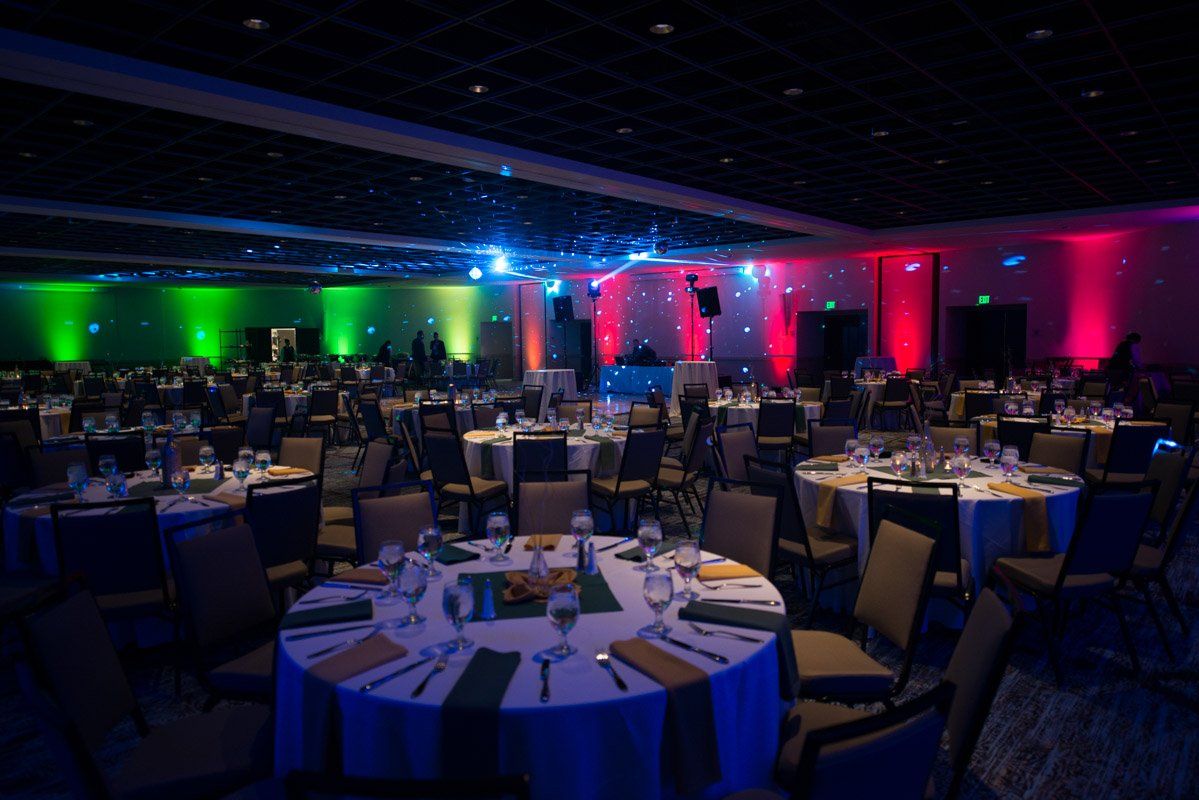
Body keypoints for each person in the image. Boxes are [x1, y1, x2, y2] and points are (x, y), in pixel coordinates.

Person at [1107, 331, 1143, 396]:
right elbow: (1136, 360)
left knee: (1112, 389)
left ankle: (1111, 402)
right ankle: (1118, 403)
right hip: (1121, 370)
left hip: (1111, 368)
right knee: (1120, 389)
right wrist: (1140, 368)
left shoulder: (1121, 344)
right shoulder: (1133, 345)